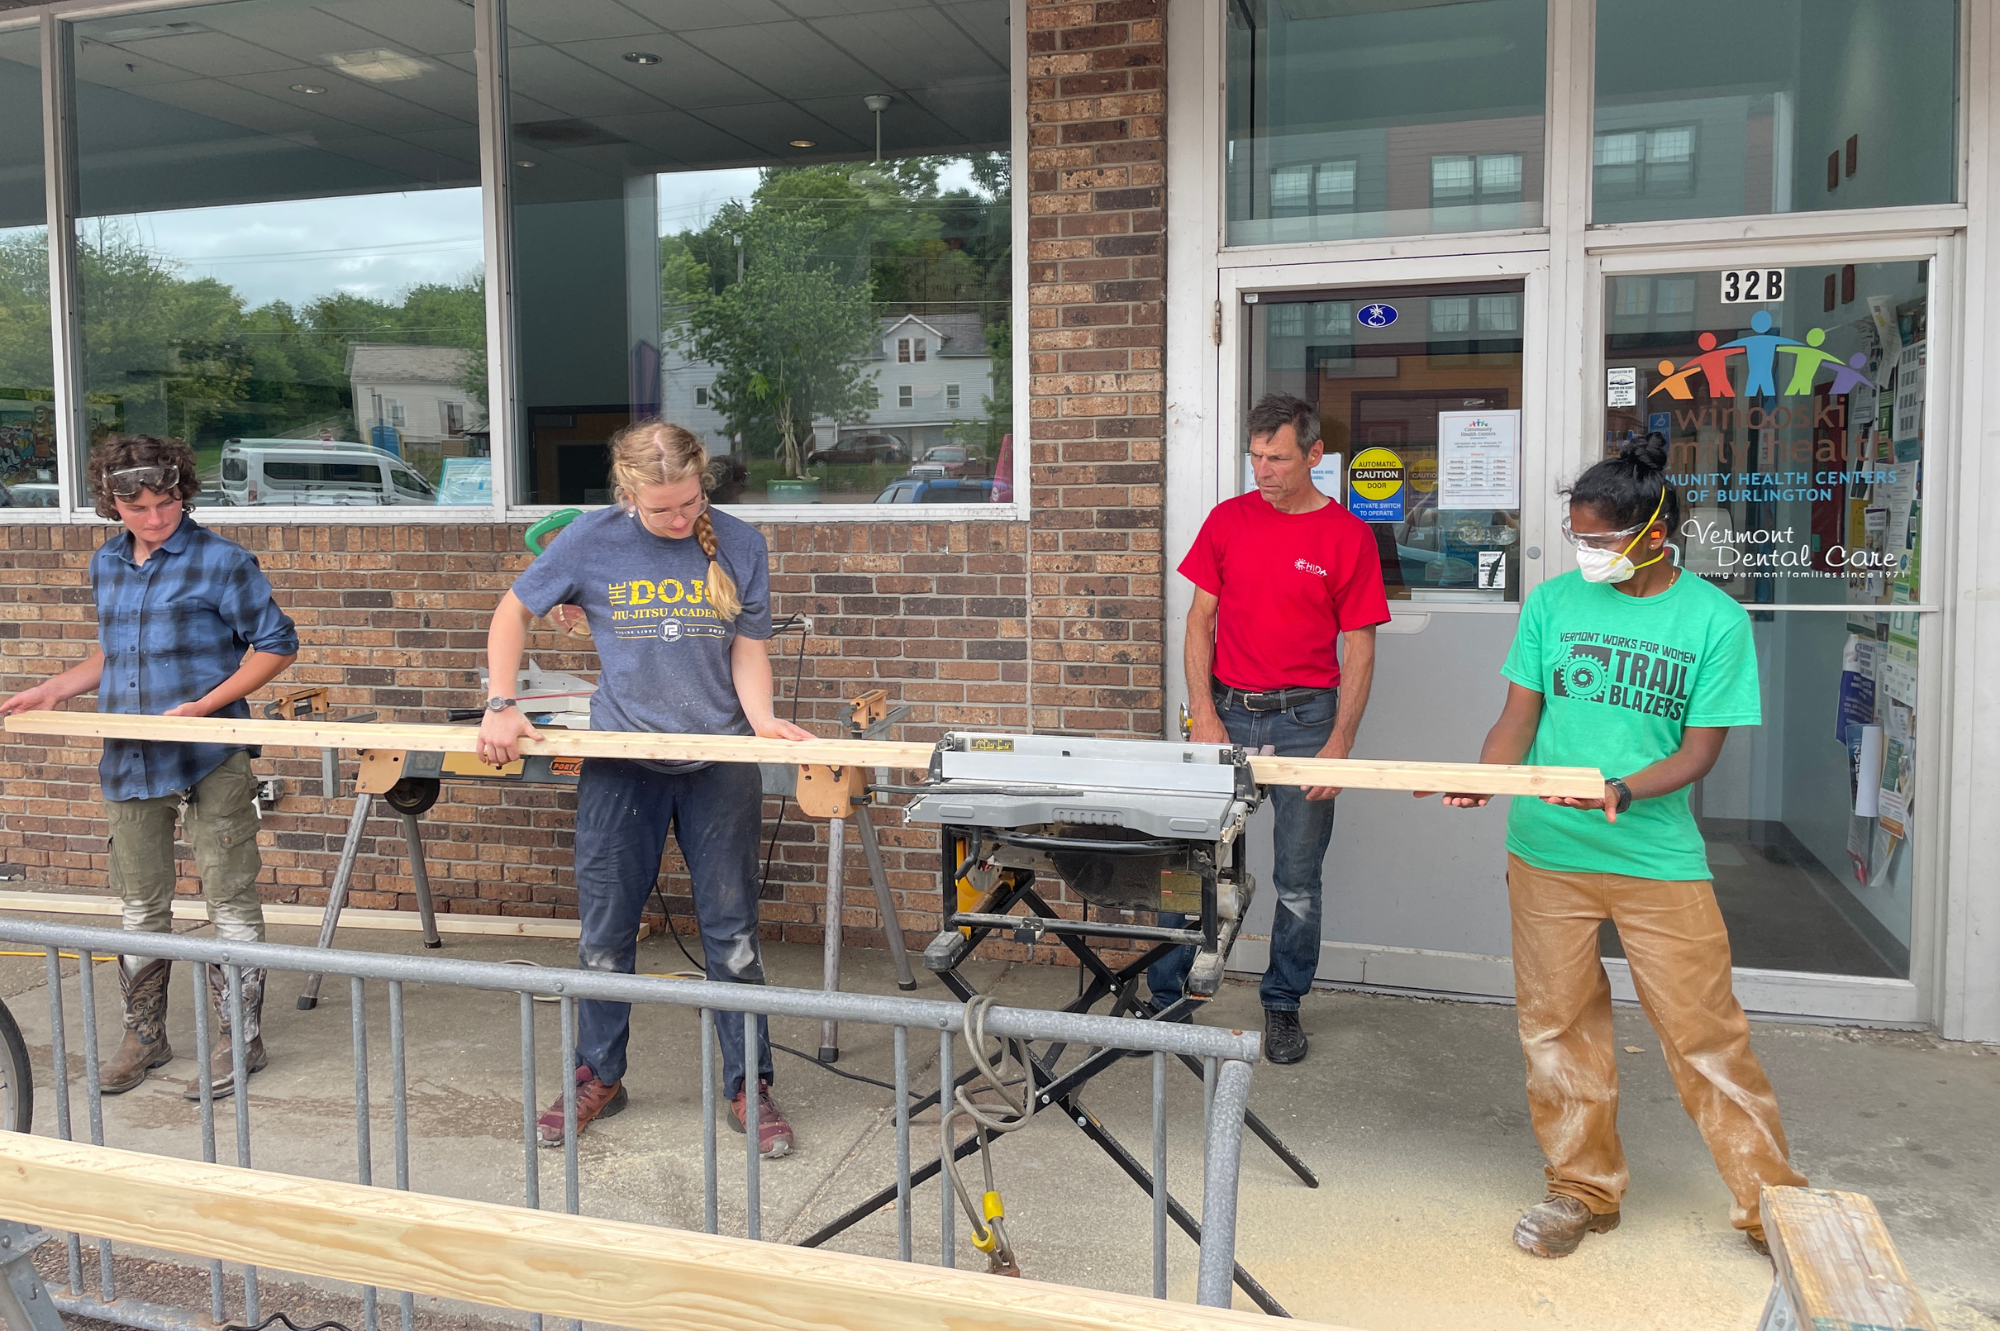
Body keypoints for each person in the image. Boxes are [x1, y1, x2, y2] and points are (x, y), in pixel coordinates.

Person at [1424, 434, 1806, 1259]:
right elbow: (1516, 720)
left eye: (1599, 540)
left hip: (1654, 858)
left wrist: (1621, 790)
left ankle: (1772, 1204)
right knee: (1556, 1025)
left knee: (1705, 1031)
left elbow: (1699, 751)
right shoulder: (1553, 604)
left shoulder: (1714, 620)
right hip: (1546, 852)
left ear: (1653, 536)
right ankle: (1582, 1189)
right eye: (1578, 537)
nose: (1586, 552)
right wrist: (1485, 776)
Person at [478, 421, 813, 1156]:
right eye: (662, 508)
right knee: (604, 935)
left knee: (732, 936)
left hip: (717, 762)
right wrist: (501, 702)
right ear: (628, 493)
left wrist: (762, 720)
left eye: (690, 502)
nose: (680, 518)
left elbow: (748, 649)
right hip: (620, 761)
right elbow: (513, 611)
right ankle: (599, 1073)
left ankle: (747, 1084)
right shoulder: (591, 539)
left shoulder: (741, 542)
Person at [0, 435, 298, 1098]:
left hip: (210, 754)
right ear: (112, 504)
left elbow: (277, 644)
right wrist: (56, 687)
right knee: (139, 903)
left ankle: (239, 1041)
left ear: (183, 492)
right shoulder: (107, 564)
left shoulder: (221, 561)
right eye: (138, 507)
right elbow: (117, 652)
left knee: (230, 897)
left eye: (166, 503)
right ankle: (145, 1035)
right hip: (130, 757)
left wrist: (205, 706)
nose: (155, 518)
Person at [1150, 392, 1391, 1064]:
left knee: (1296, 878)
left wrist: (1340, 741)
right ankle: (1166, 997)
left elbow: (1361, 647)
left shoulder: (1347, 535)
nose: (1264, 470)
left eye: (1278, 457)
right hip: (1226, 710)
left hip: (1305, 719)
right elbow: (1199, 620)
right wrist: (1202, 710)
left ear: (1314, 454)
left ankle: (1282, 1005)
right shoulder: (1228, 521)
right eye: (1256, 456)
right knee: (1189, 858)